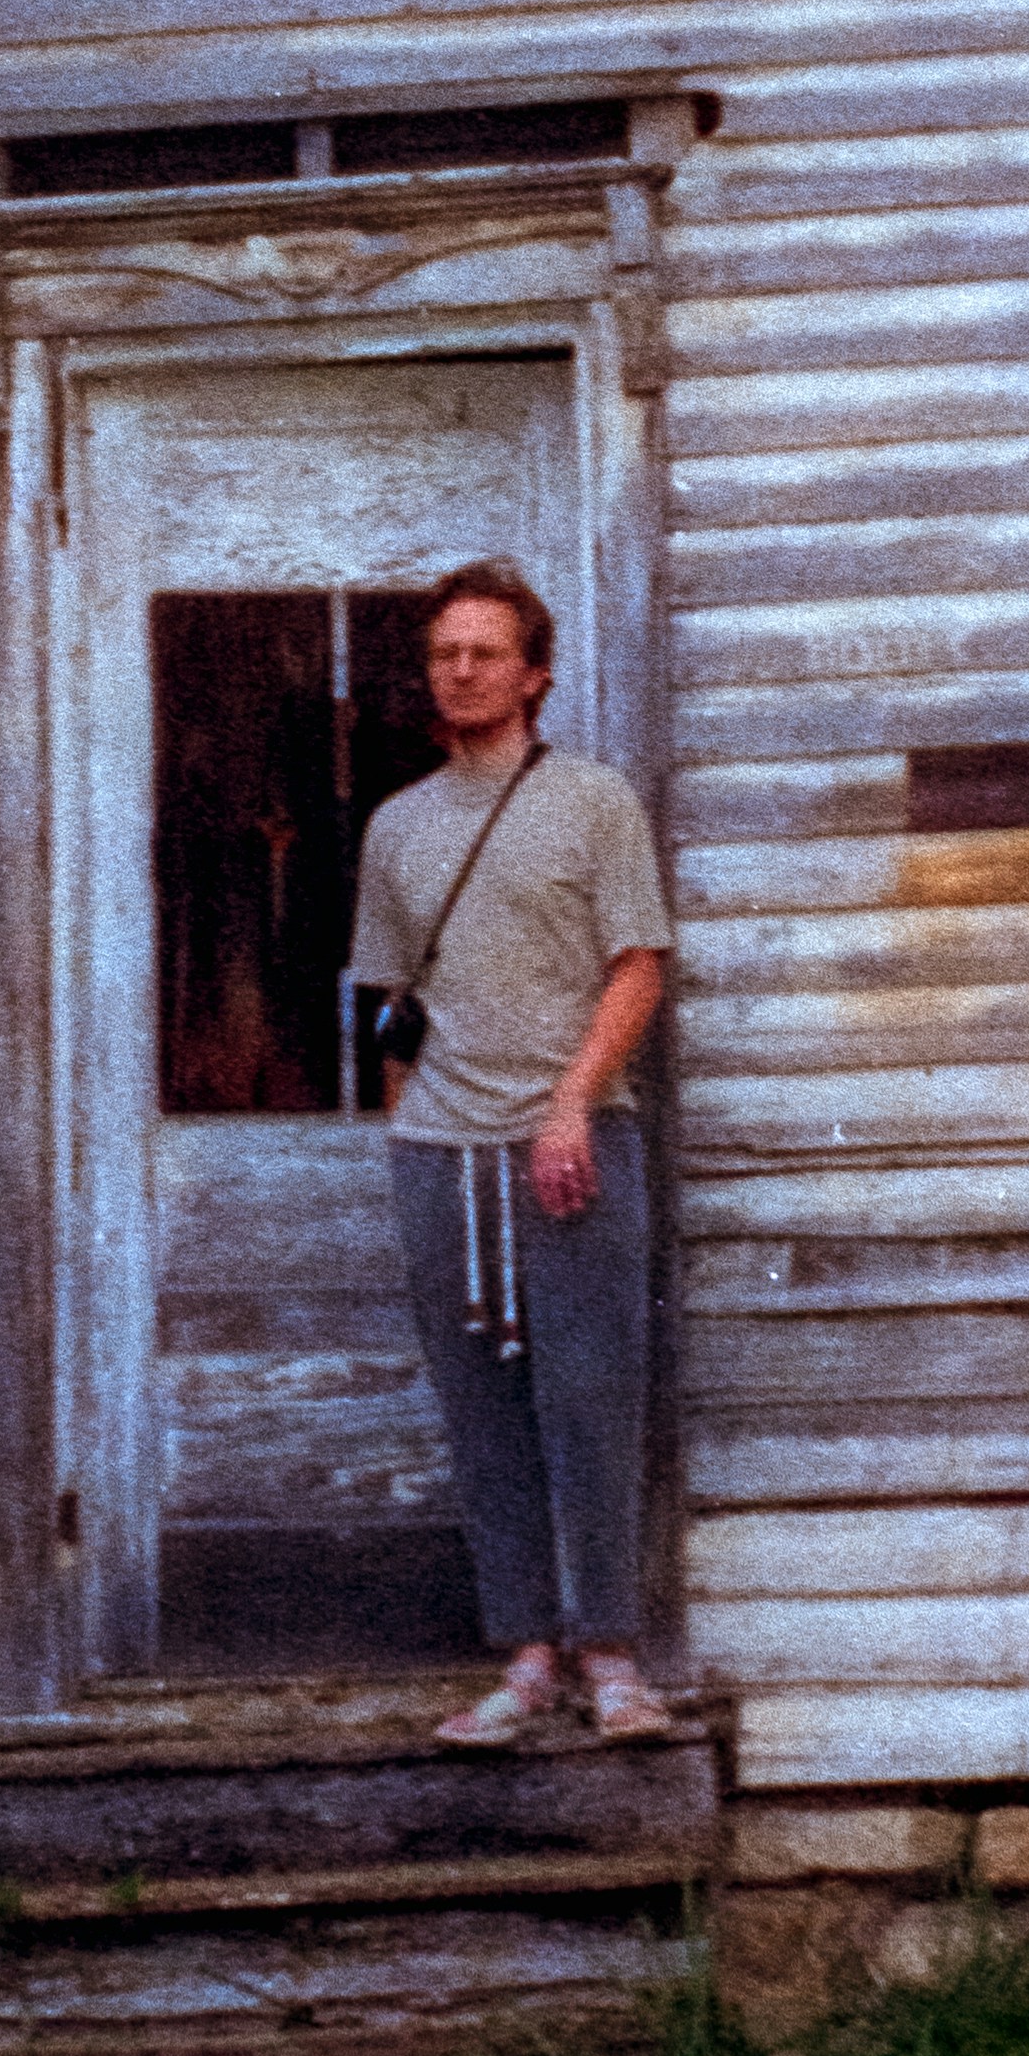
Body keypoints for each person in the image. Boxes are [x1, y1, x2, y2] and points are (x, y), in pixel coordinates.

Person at [349, 559, 678, 1744]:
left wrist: (571, 1105)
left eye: (487, 652)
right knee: (481, 1406)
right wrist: (407, 1136)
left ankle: (613, 1658)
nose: (464, 670)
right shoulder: (397, 824)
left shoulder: (593, 802)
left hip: (570, 1140)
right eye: (445, 653)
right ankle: (527, 1657)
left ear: (534, 672)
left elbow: (637, 963)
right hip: (445, 1152)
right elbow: (387, 998)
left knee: (590, 1395)